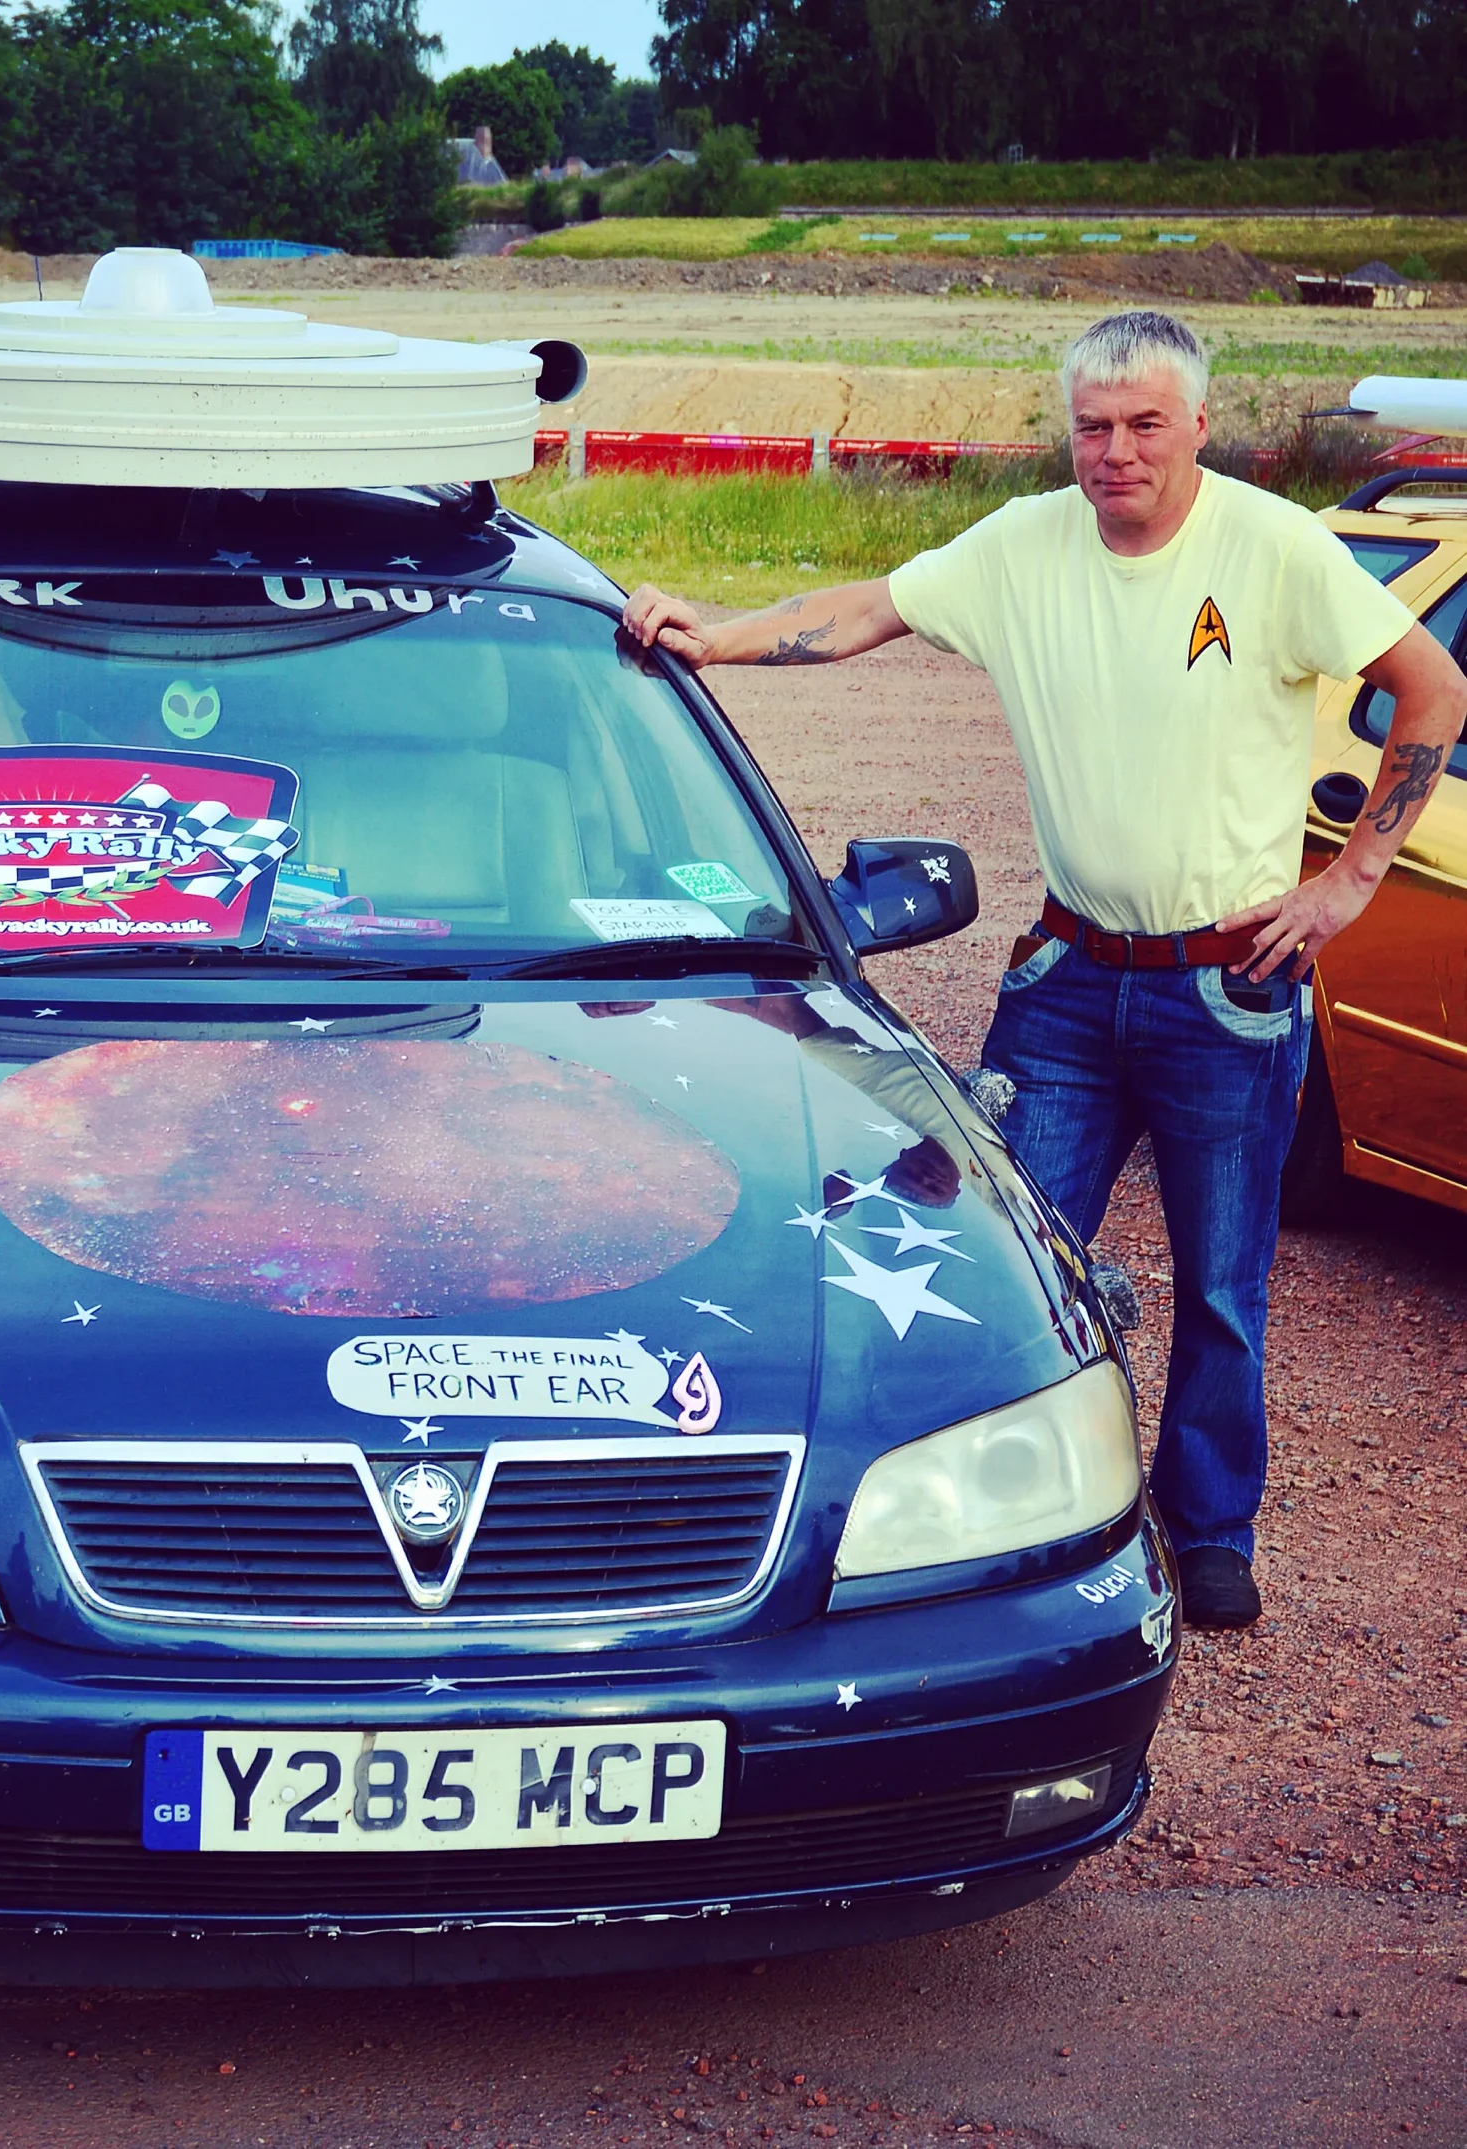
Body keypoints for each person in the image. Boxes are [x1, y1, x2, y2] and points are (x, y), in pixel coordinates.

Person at [623, 309, 1467, 1632]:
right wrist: (712, 635)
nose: (1116, 450)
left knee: (1222, 1286)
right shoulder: (1022, 548)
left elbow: (1432, 690)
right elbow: (864, 612)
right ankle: (996, 1522)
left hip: (1225, 987)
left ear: (1198, 423)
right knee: (997, 1264)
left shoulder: (1278, 549)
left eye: (1144, 423)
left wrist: (1349, 880)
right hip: (1069, 980)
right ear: (1065, 428)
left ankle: (1210, 1529)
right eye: (1092, 424)